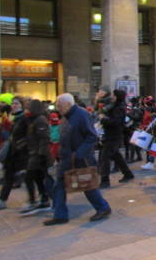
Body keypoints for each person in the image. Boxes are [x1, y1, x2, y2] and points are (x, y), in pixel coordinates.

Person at [44, 93, 111, 225]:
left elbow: (91, 136)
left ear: (68, 104)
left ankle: (103, 208)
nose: (58, 108)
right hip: (66, 158)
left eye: (60, 105)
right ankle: (60, 215)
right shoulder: (66, 116)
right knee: (59, 186)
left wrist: (79, 153)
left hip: (80, 159)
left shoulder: (81, 115)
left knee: (87, 185)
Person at [0, 97, 29, 210]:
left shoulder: (24, 118)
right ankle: (2, 200)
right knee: (8, 176)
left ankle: (38, 199)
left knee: (29, 178)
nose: (14, 105)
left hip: (21, 152)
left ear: (21, 105)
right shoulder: (12, 117)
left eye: (17, 103)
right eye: (13, 103)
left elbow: (24, 134)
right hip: (12, 151)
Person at [19, 100, 52, 215]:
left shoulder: (40, 120)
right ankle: (44, 199)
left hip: (38, 155)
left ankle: (33, 200)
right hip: (34, 152)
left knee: (29, 177)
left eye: (28, 107)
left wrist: (41, 155)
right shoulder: (32, 119)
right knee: (38, 178)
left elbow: (44, 138)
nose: (26, 110)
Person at [98, 89, 134, 189]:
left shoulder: (119, 108)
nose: (112, 97)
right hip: (111, 134)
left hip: (114, 135)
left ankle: (105, 180)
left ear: (117, 97)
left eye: (113, 95)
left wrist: (103, 119)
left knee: (105, 157)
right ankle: (128, 174)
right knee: (116, 155)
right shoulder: (114, 106)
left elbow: (115, 122)